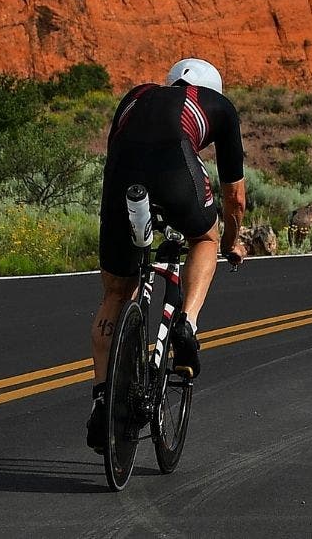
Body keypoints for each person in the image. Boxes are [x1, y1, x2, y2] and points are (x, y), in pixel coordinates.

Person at [88, 56, 245, 452]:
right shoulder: (220, 108)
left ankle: (102, 400)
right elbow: (236, 197)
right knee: (204, 239)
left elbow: (119, 154)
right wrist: (230, 241)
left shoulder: (136, 95)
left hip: (122, 173)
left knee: (114, 293)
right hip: (176, 163)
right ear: (213, 90)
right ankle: (186, 325)